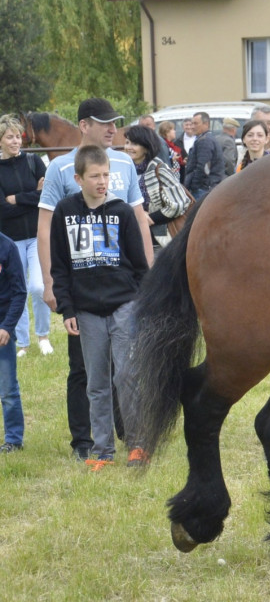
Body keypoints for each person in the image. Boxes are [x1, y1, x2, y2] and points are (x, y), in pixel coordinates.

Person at [38, 97, 153, 461]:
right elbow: (54, 248)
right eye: (103, 122)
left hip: (122, 299)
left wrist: (146, 291)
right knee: (90, 378)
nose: (112, 129)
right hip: (84, 302)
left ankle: (135, 439)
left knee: (127, 374)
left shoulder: (122, 177)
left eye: (114, 122)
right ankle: (92, 446)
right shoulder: (61, 179)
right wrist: (56, 291)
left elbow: (139, 235)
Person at [0, 115, 52, 358]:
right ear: (0, 141)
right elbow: (2, 210)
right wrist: (32, 196)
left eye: (17, 136)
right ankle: (22, 342)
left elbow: (46, 196)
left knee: (38, 286)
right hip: (9, 241)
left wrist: (17, 198)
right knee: (15, 289)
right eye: (9, 137)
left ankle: (43, 336)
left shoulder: (34, 162)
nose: (15, 141)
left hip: (36, 236)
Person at [124, 125, 191, 251]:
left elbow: (179, 203)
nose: (128, 147)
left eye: (134, 144)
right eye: (127, 142)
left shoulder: (158, 169)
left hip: (159, 241)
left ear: (146, 147)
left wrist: (150, 218)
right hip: (132, 239)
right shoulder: (125, 170)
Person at [0, 232, 27, 453]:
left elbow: (20, 292)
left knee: (7, 388)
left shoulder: (7, 247)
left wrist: (7, 327)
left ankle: (14, 439)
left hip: (1, 329)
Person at [184, 112, 225, 199]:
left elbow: (203, 167)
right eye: (192, 123)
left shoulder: (205, 141)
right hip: (206, 187)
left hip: (203, 189)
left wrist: (195, 185)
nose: (192, 127)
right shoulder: (204, 139)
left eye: (195, 123)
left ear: (206, 124)